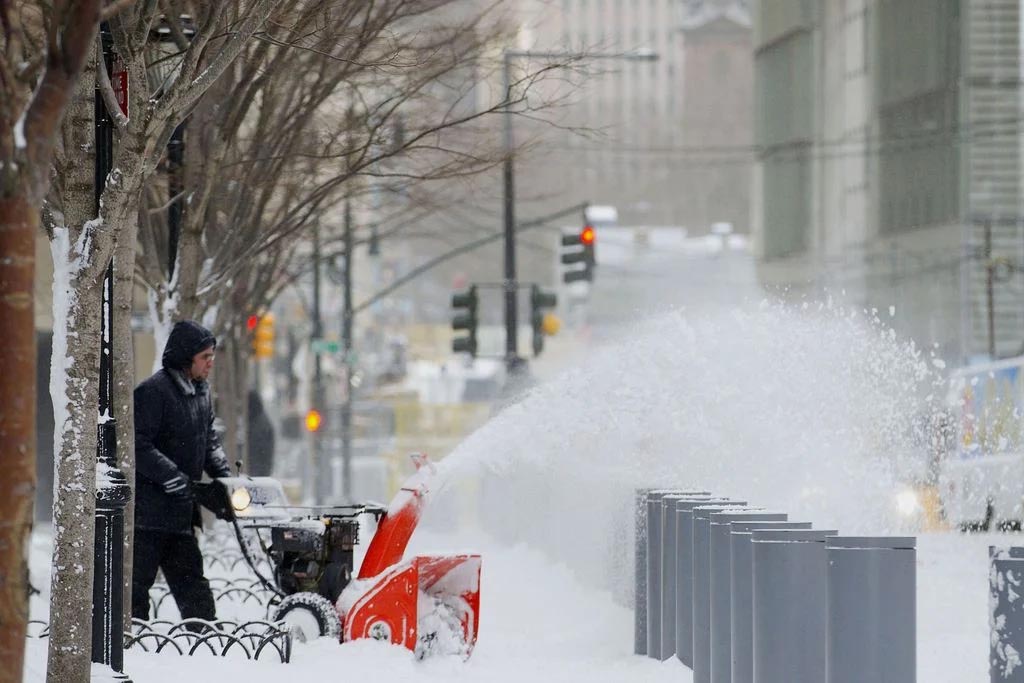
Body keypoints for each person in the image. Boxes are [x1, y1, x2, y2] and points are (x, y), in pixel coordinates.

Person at [131, 320, 232, 623]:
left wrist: (227, 481)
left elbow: (209, 442)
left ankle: (204, 645)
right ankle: (132, 647)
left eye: (212, 356)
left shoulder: (201, 393)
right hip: (147, 518)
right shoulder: (153, 392)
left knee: (195, 592)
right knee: (135, 591)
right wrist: (175, 479)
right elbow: (138, 445)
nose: (210, 363)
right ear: (186, 358)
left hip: (181, 517)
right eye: (205, 357)